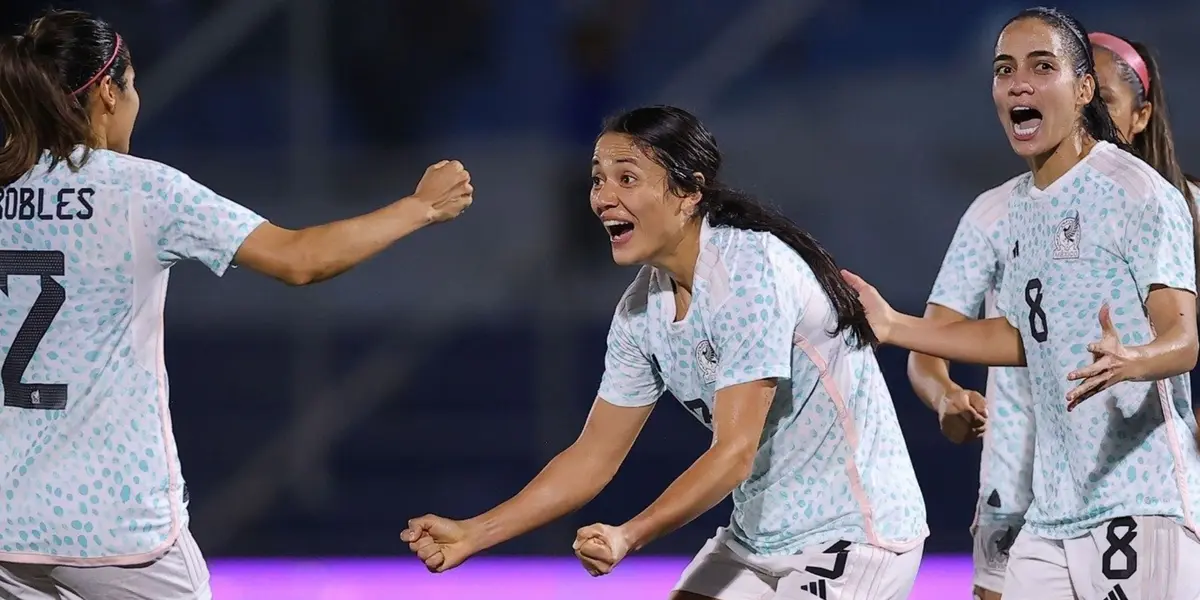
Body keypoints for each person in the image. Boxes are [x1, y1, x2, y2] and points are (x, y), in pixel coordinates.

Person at [0, 10, 473, 600]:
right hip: (113, 524)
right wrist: (419, 207)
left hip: (9, 521)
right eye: (133, 83)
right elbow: (299, 259)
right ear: (105, 92)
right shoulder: (142, 189)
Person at [400, 105, 928, 600]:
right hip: (759, 539)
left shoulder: (750, 273)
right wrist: (475, 533)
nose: (604, 196)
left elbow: (733, 454)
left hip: (855, 536)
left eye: (626, 178)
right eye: (598, 177)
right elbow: (592, 458)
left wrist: (630, 534)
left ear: (688, 192)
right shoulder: (640, 311)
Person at [844, 7, 1200, 600]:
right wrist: (896, 325)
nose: (1019, 83)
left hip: (1140, 499)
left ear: (1083, 89)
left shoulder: (1140, 193)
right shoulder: (1021, 205)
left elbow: (1184, 339)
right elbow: (1019, 338)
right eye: (1004, 69)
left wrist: (1133, 358)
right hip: (1051, 507)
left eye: (1042, 66)